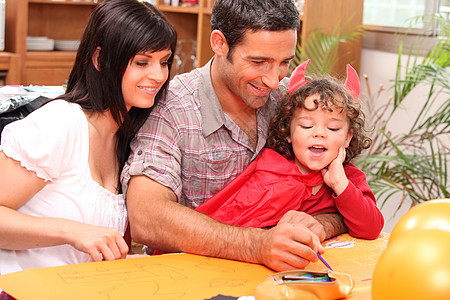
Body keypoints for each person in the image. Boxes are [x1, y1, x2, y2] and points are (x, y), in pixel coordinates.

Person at [122, 0, 347, 272]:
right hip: (187, 279)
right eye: (259, 62)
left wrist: (322, 225)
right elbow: (146, 217)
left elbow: (350, 193)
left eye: (284, 62)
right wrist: (256, 245)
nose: (273, 81)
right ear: (219, 43)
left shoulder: (294, 101)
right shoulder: (172, 107)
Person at [0, 0, 177, 276]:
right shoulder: (61, 123)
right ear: (100, 59)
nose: (158, 75)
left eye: (164, 62)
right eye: (142, 62)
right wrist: (71, 231)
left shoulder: (129, 137)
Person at [196, 60, 384, 240]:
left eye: (333, 128)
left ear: (347, 138)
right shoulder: (271, 169)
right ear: (288, 132)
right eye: (306, 126)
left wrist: (340, 184)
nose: (319, 134)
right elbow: (233, 221)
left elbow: (371, 228)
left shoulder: (349, 178)